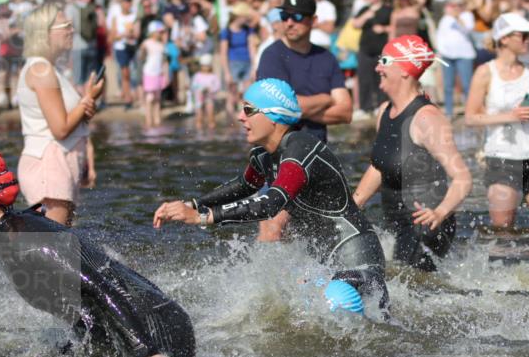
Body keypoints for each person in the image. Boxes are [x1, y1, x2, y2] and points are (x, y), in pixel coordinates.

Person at [0, 148, 195, 357]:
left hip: (154, 330)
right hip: (142, 322)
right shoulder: (14, 234)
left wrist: (148, 356)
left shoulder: (26, 244)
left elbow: (99, 287)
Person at [153, 79, 389, 316]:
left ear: (274, 116)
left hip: (357, 257)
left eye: (248, 110)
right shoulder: (263, 155)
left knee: (338, 300)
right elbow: (244, 185)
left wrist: (203, 217)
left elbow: (271, 203)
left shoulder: (300, 149)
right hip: (324, 261)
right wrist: (192, 204)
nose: (240, 117)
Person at [352, 35, 471, 272]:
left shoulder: (427, 119)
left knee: (405, 289)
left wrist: (440, 213)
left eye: (384, 60)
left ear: (405, 70)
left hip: (425, 224)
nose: (377, 67)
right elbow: (379, 165)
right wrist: (353, 205)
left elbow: (463, 178)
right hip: (397, 222)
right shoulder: (385, 111)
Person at [255, 0, 352, 243]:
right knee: (272, 228)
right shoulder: (271, 56)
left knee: (315, 236)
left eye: (297, 17)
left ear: (313, 20)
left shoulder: (326, 58)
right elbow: (274, 110)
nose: (289, 22)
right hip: (281, 156)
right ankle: (265, 281)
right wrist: (324, 98)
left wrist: (295, 106)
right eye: (285, 15)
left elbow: (345, 112)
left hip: (317, 158)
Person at [465, 13, 529, 235]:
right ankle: (513, 265)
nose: (528, 39)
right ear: (504, 39)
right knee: (503, 231)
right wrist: (510, 116)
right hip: (501, 160)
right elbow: (470, 118)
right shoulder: (485, 72)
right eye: (523, 35)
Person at [17, 3, 104, 227]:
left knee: (60, 241)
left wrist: (86, 103)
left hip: (59, 160)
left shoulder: (48, 68)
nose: (71, 30)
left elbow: (69, 120)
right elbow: (60, 127)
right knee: (53, 245)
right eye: (65, 25)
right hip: (49, 162)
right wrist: (87, 99)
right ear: (43, 33)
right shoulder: (42, 70)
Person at [436, 0, 476, 118]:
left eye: (459, 5)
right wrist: (440, 51)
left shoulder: (467, 16)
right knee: (448, 86)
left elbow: (468, 30)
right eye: (454, 5)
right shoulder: (446, 18)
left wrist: (458, 17)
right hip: (448, 55)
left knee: (467, 85)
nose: (456, 8)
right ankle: (449, 112)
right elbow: (440, 36)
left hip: (464, 55)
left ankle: (470, 111)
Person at [220, 2, 255, 119]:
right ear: (239, 17)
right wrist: (226, 73)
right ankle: (230, 121)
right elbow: (223, 53)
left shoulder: (248, 30)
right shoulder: (226, 32)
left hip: (247, 62)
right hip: (233, 64)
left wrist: (254, 66)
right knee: (232, 94)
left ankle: (246, 118)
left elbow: (251, 47)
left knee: (248, 94)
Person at [109, 0, 138, 106]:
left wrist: (131, 34)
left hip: (132, 46)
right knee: (125, 73)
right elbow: (112, 36)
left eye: (129, 2)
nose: (127, 4)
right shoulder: (116, 18)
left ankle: (134, 95)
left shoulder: (134, 16)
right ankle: (127, 97)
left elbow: (136, 33)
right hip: (121, 47)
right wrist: (123, 35)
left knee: (134, 73)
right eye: (125, 2)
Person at [139, 20, 167, 129]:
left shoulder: (161, 45)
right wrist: (142, 52)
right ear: (153, 32)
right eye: (159, 32)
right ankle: (148, 120)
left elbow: (164, 61)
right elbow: (141, 57)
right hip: (149, 73)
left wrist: (166, 74)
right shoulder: (146, 43)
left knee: (157, 98)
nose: (161, 34)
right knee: (150, 98)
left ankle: (157, 119)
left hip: (158, 74)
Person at [191, 53, 220, 131]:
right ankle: (199, 129)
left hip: (209, 98)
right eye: (204, 65)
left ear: (210, 66)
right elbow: (193, 86)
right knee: (199, 116)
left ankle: (211, 128)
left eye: (207, 65)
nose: (205, 67)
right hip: (199, 99)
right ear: (201, 66)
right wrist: (200, 89)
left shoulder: (213, 76)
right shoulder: (197, 75)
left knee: (210, 114)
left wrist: (210, 89)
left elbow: (217, 86)